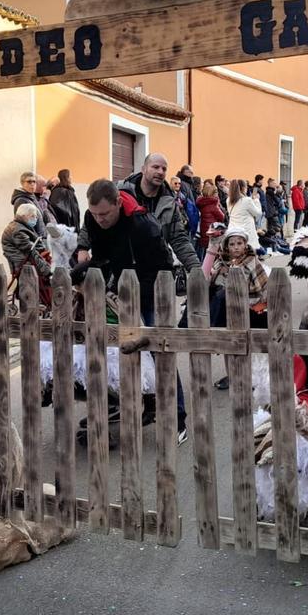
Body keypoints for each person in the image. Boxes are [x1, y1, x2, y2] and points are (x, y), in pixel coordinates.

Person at [74, 179, 187, 443]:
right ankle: (134, 405)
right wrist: (83, 274)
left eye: (105, 214)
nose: (99, 219)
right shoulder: (93, 219)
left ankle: (178, 418)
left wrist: (133, 296)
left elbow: (163, 269)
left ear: (118, 204)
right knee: (114, 349)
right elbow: (101, 255)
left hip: (151, 290)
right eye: (94, 214)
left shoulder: (144, 226)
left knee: (160, 351)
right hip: (118, 287)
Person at [79, 153, 200, 274]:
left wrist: (195, 268)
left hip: (154, 268)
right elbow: (94, 216)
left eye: (164, 169)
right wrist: (83, 247)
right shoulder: (119, 190)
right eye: (155, 167)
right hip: (119, 266)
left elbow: (179, 239)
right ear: (143, 169)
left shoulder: (170, 203)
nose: (160, 172)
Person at [208, 226, 268, 329]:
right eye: (232, 244)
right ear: (227, 247)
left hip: (249, 303)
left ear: (245, 245)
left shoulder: (250, 260)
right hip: (227, 302)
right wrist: (217, 273)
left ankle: (216, 326)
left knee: (221, 296)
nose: (236, 247)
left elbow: (256, 285)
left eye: (239, 243)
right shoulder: (222, 260)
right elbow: (213, 280)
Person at [226, 179, 264, 253]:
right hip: (246, 232)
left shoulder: (228, 200)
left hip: (234, 231)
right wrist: (256, 200)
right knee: (248, 255)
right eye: (246, 187)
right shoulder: (247, 200)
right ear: (243, 188)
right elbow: (258, 213)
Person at [196, 181, 226, 261]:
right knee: (213, 256)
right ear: (212, 193)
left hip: (205, 231)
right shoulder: (213, 205)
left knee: (206, 253)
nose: (218, 194)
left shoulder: (203, 203)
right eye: (216, 192)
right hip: (212, 233)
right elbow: (223, 218)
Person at [11, 172, 46, 236]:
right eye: (29, 182)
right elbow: (23, 224)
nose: (32, 184)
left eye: (34, 182)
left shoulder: (32, 197)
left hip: (39, 238)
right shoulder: (21, 200)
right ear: (22, 183)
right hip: (32, 240)